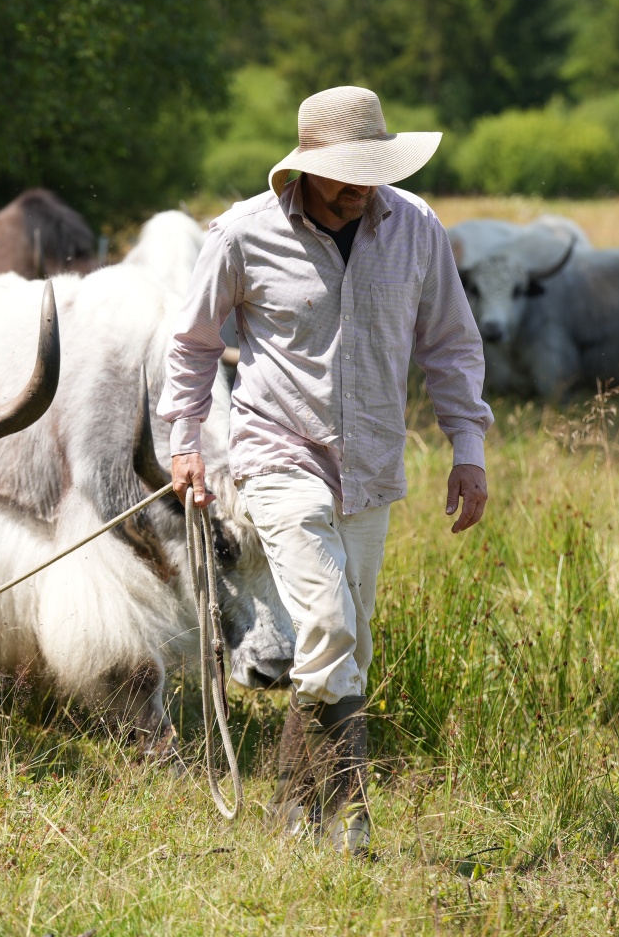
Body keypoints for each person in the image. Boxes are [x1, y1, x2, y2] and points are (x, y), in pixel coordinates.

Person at [159, 85, 491, 854]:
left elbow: (451, 343)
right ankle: (352, 816)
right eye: (344, 173)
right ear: (304, 166)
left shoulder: (415, 228)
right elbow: (193, 342)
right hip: (279, 451)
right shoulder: (243, 233)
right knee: (328, 625)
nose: (359, 187)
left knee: (350, 646)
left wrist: (467, 449)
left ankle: (295, 807)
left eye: (371, 171)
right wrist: (184, 440)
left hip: (371, 460)